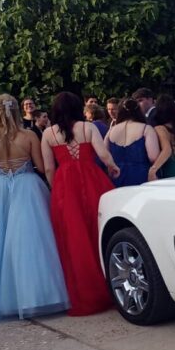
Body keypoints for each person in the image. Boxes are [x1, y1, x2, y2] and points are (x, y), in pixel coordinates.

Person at [0, 94, 70, 323]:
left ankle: (1, 299)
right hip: (28, 187)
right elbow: (40, 166)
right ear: (17, 110)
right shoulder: (28, 135)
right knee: (33, 243)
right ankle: (38, 295)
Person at [42, 92, 121, 315]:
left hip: (65, 186)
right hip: (91, 179)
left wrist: (55, 186)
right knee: (99, 231)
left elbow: (48, 168)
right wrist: (112, 167)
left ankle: (85, 291)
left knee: (74, 239)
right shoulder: (88, 128)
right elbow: (103, 154)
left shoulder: (48, 133)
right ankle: (110, 285)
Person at [105, 98, 161, 187]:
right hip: (140, 176)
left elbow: (105, 155)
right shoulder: (146, 129)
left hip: (116, 176)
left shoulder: (111, 131)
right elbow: (153, 157)